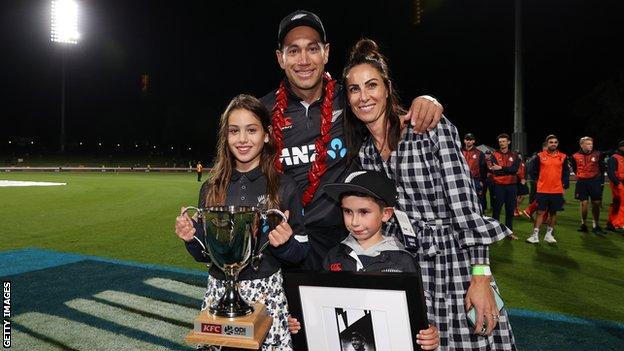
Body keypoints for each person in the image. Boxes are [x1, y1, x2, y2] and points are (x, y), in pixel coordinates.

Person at [342, 38, 515, 349]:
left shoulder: (430, 130)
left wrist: (480, 277)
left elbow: (466, 208)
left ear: (387, 88)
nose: (363, 96)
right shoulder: (366, 154)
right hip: (407, 269)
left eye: (371, 85)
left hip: (455, 263)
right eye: (354, 89)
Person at [261, 10, 444, 271]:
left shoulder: (348, 97)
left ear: (325, 52)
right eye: (293, 50)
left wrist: (426, 100)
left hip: (342, 245)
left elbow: (383, 110)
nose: (304, 60)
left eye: (312, 49)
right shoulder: (263, 110)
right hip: (283, 244)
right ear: (280, 58)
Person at [174, 95, 310, 350]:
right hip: (218, 293)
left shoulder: (285, 186)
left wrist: (284, 244)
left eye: (252, 130)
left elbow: (301, 252)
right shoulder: (211, 188)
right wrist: (191, 237)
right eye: (234, 131)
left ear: (267, 135)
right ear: (226, 136)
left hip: (267, 297)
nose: (243, 139)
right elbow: (205, 254)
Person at [289, 170, 441, 350]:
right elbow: (319, 309)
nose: (354, 222)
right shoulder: (333, 256)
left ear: (386, 214)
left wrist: (429, 333)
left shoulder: (403, 261)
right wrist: (303, 320)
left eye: (364, 212)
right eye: (347, 211)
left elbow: (418, 313)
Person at [526, 135, 570, 244]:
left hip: (556, 190)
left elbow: (565, 172)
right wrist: (539, 181)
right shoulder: (539, 156)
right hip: (542, 190)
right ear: (547, 143)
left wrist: (564, 184)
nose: (553, 144)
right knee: (540, 212)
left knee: (553, 213)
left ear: (557, 144)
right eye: (551, 142)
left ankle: (549, 235)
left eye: (555, 142)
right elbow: (532, 171)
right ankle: (535, 235)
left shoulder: (563, 157)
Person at [569, 136, 607, 234]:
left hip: (595, 181)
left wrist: (601, 181)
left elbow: (602, 168)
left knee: (596, 203)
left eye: (591, 144)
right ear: (581, 145)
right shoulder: (575, 156)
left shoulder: (598, 154)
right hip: (582, 182)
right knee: (584, 203)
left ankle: (596, 225)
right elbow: (574, 168)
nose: (590, 146)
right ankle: (583, 224)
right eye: (588, 144)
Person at [489, 134, 521, 236]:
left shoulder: (515, 156)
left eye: (504, 141)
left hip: (512, 186)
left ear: (508, 142)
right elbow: (496, 172)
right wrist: (507, 170)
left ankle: (509, 232)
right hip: (499, 186)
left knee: (510, 209)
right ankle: (495, 231)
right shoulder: (494, 155)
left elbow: (515, 170)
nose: (502, 143)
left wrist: (501, 168)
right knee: (497, 209)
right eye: (500, 141)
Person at [462, 133, 488, 212]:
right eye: (467, 139)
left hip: (476, 180)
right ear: (464, 141)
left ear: (473, 141)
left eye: (470, 140)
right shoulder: (459, 152)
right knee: (464, 199)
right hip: (463, 179)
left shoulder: (479, 153)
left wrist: (482, 181)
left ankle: (480, 214)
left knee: (478, 199)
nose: (468, 141)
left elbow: (484, 169)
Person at [606, 140, 624, 233]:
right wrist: (617, 183)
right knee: (621, 204)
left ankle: (611, 223)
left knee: (617, 204)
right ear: (621, 147)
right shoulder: (614, 158)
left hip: (620, 183)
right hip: (618, 183)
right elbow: (611, 173)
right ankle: (619, 224)